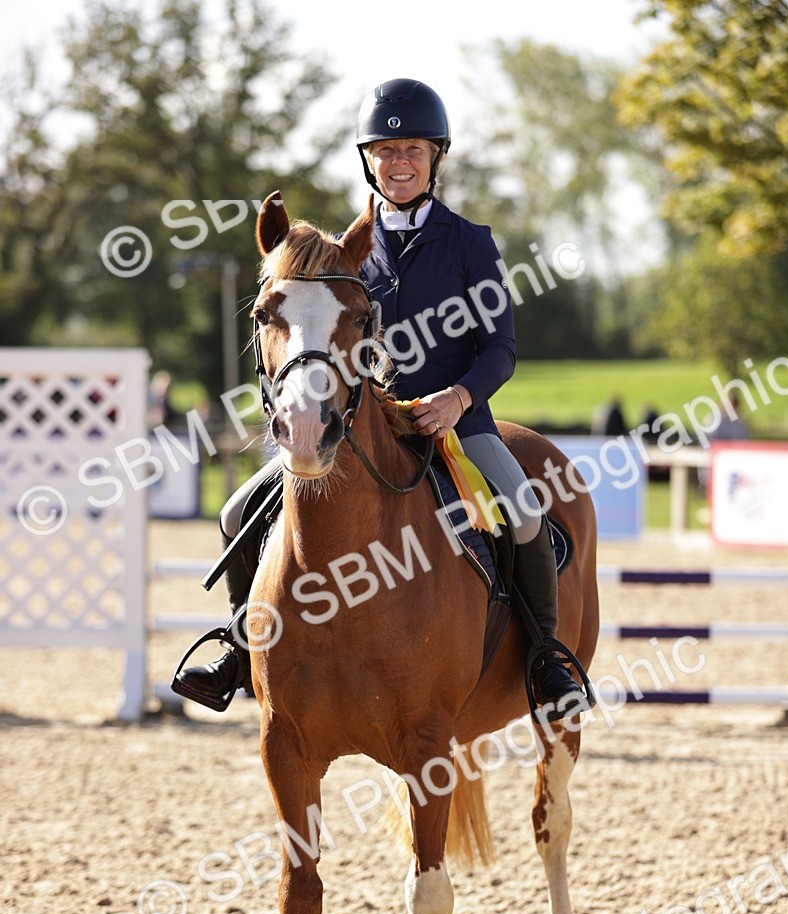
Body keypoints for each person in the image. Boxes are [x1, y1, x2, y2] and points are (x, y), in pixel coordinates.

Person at [173, 77, 583, 715]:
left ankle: (546, 660)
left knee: (525, 518)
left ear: (435, 158)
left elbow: (500, 348)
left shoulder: (470, 242)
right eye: (386, 151)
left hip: (455, 422)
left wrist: (456, 399)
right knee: (235, 514)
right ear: (367, 158)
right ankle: (240, 647)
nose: (399, 162)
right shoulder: (339, 252)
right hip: (360, 425)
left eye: (413, 150)